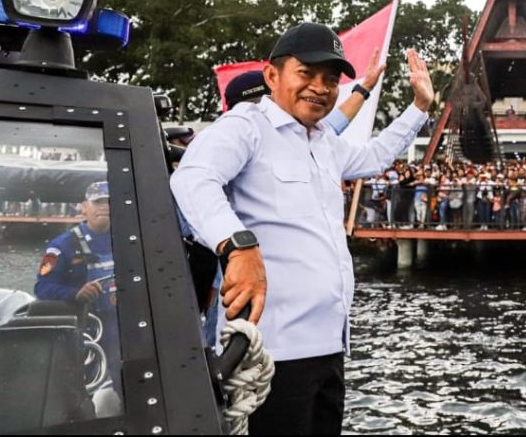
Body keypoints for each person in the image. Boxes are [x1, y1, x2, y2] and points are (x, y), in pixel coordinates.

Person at [170, 22, 432, 436]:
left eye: (330, 79)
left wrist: (419, 107)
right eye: (306, 73)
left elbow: (373, 157)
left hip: (329, 346)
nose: (320, 87)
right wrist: (238, 247)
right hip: (273, 351)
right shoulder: (246, 126)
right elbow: (192, 178)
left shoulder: (324, 140)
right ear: (273, 75)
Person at [35, 180, 121, 392]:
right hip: (90, 327)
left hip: (123, 323)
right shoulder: (60, 246)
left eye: (109, 202)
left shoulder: (127, 238)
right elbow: (42, 287)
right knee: (87, 383)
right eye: (97, 202)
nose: (104, 206)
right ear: (84, 207)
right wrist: (75, 294)